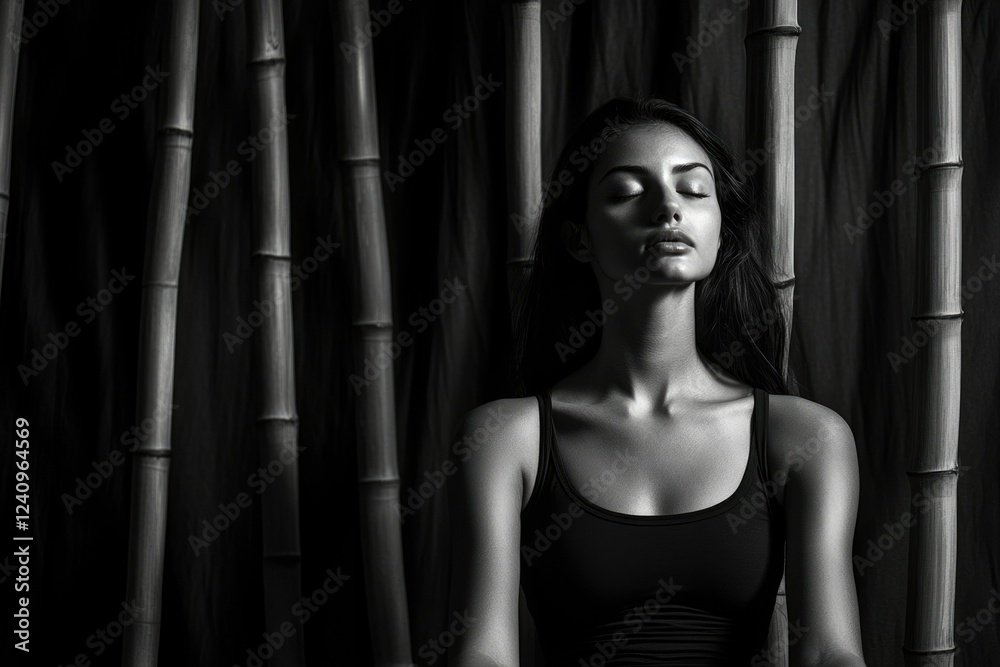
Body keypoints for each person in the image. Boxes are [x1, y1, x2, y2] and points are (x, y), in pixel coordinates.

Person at [448, 96, 866, 666]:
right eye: (627, 192)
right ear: (578, 238)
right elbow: (483, 656)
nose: (668, 207)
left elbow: (830, 655)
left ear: (721, 234)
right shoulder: (506, 439)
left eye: (693, 190)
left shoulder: (805, 437)